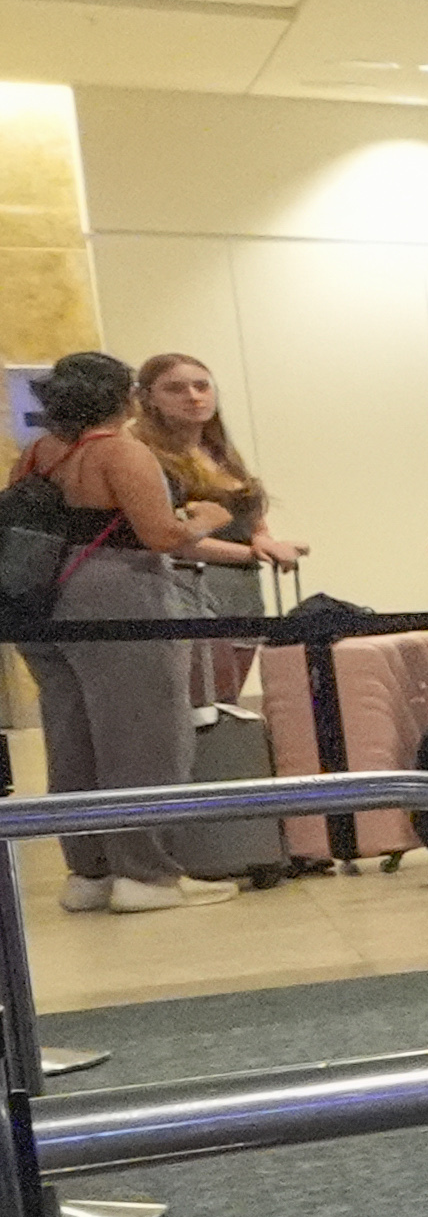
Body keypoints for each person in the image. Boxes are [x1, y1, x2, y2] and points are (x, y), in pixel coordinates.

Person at [13, 352, 259, 912]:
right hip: (114, 597)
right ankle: (146, 876)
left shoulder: (35, 456)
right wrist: (209, 519)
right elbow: (161, 535)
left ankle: (88, 872)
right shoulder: (121, 451)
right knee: (143, 736)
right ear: (126, 398)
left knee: (71, 738)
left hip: (41, 603)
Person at [131, 352, 297, 725]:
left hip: (242, 586)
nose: (193, 396)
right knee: (198, 706)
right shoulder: (145, 456)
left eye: (201, 386)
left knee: (228, 704)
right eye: (175, 389)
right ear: (148, 398)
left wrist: (263, 537)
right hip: (187, 582)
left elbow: (248, 509)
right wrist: (252, 553)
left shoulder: (219, 450)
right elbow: (170, 537)